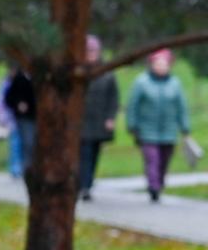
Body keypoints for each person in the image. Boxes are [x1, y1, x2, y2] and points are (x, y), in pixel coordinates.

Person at [125, 46, 190, 202]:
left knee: (164, 160)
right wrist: (132, 125)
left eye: (164, 64)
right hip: (147, 130)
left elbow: (181, 107)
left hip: (169, 130)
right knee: (152, 159)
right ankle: (153, 187)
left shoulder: (175, 84)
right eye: (158, 64)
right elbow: (132, 105)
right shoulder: (142, 82)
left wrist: (185, 127)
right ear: (152, 65)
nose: (161, 67)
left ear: (169, 65)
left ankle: (159, 183)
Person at [79, 34, 120, 202]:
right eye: (88, 50)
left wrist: (110, 118)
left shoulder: (107, 73)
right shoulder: (78, 72)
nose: (91, 53)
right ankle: (83, 185)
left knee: (93, 153)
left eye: (93, 50)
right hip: (81, 122)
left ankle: (88, 183)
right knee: (84, 153)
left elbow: (113, 98)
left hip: (99, 121)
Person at [2, 68, 36, 178]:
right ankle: (28, 170)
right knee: (27, 143)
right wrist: (18, 104)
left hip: (39, 116)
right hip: (26, 117)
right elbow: (8, 98)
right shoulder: (20, 79)